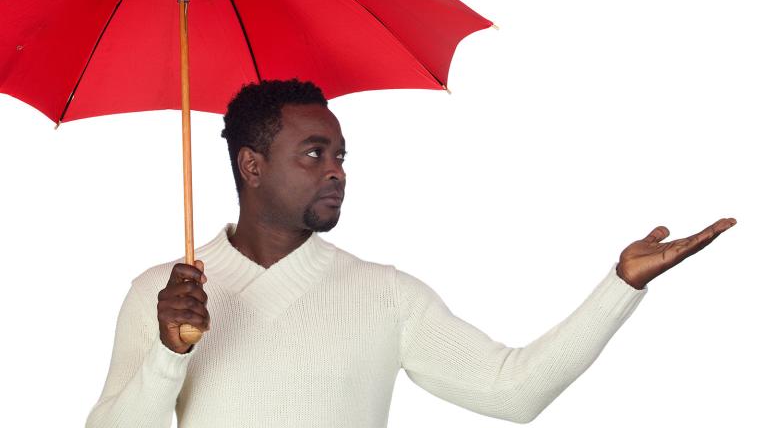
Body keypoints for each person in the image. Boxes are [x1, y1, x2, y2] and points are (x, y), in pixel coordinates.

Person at [85, 79, 736, 427]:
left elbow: (514, 393)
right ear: (251, 165)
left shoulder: (386, 295)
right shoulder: (164, 294)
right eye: (315, 153)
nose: (337, 170)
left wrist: (619, 285)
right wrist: (170, 355)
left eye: (341, 156)